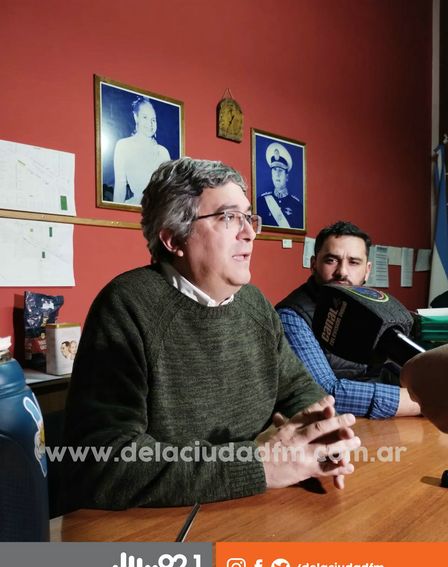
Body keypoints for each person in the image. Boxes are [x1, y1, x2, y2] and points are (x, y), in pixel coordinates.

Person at [63, 159, 360, 510]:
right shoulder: (127, 305)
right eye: (228, 217)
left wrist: (322, 435)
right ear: (174, 238)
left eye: (248, 217)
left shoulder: (254, 303)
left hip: (251, 508)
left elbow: (298, 388)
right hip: (158, 526)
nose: (249, 233)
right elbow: (103, 461)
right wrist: (257, 465)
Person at [276, 221, 421, 419]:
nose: (342, 272)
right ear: (314, 264)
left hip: (382, 422)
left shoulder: (373, 307)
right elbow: (324, 392)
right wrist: (420, 400)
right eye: (331, 260)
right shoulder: (291, 315)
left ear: (367, 270)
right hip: (329, 423)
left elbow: (406, 367)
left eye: (354, 262)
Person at [112, 97, 170, 205]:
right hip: (135, 207)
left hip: (158, 210)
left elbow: (167, 192)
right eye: (145, 117)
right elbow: (120, 187)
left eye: (153, 120)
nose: (150, 124)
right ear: (136, 117)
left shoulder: (163, 152)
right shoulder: (123, 146)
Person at [256, 142, 303, 229]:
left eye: (280, 170)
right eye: (274, 170)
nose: (277, 174)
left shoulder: (297, 207)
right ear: (271, 174)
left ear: (287, 177)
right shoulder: (260, 202)